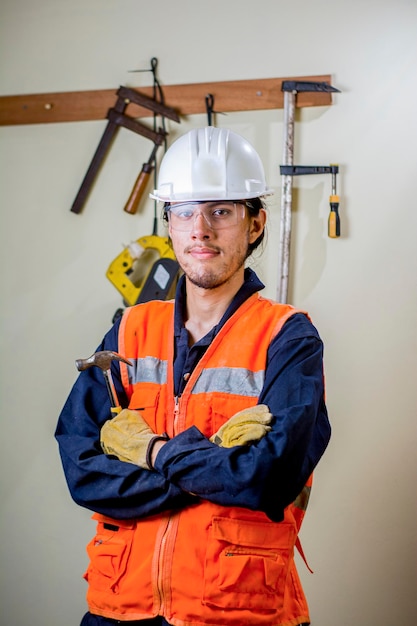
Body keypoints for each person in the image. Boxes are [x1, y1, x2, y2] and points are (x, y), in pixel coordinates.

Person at [56, 126, 331, 626]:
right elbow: (82, 470)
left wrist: (150, 451)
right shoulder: (129, 331)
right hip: (120, 608)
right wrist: (214, 468)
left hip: (240, 610)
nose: (200, 229)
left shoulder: (288, 339)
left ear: (255, 224)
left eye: (221, 211)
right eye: (184, 212)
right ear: (169, 225)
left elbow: (268, 479)